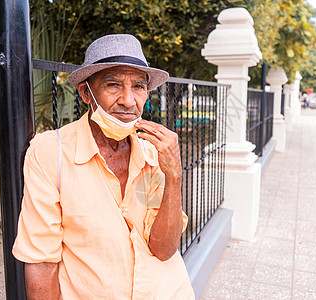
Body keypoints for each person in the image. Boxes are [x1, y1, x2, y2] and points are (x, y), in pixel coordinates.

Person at [12, 34, 195, 299]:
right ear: (86, 92)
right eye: (113, 85)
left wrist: (174, 174)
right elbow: (41, 261)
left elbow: (164, 249)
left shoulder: (153, 151)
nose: (128, 100)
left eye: (138, 87)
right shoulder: (52, 154)